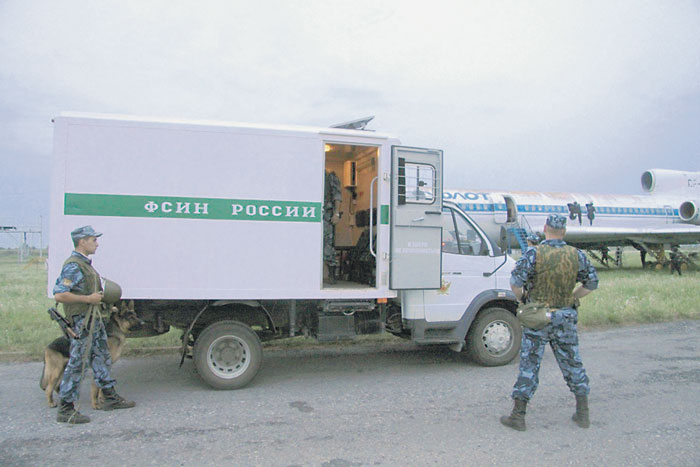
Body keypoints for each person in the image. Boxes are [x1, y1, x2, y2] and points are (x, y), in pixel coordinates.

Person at [501, 214, 598, 431]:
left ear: (545, 228)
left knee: (529, 366)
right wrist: (573, 297)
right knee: (572, 363)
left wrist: (523, 298)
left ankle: (518, 416)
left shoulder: (534, 254)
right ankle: (583, 414)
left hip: (538, 318)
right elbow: (592, 283)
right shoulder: (576, 255)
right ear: (563, 231)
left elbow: (515, 282)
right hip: (564, 317)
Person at [53, 225, 135, 424]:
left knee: (102, 358)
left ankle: (109, 397)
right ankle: (65, 408)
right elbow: (60, 294)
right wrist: (88, 299)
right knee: (77, 364)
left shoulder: (85, 265)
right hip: (83, 323)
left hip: (94, 321)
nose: (97, 243)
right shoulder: (73, 266)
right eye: (93, 240)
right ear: (82, 241)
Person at [323, 171, 342, 283]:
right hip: (313, 214)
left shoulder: (330, 176)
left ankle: (332, 276)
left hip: (326, 215)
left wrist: (336, 213)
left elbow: (337, 196)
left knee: (327, 245)